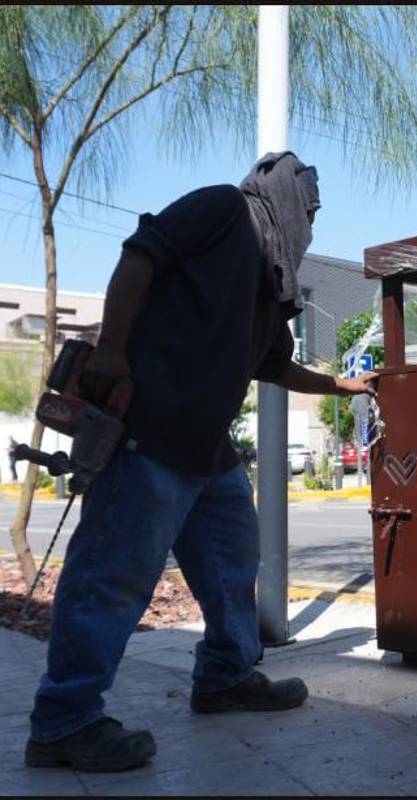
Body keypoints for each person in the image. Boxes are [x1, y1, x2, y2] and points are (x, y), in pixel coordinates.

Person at [25, 152, 378, 772]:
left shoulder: (271, 280)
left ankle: (224, 676)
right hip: (150, 431)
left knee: (232, 562)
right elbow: (140, 255)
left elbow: (274, 366)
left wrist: (345, 388)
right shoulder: (222, 210)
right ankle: (64, 720)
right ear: (285, 196)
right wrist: (110, 348)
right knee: (114, 574)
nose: (313, 226)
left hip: (208, 449)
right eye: (311, 210)